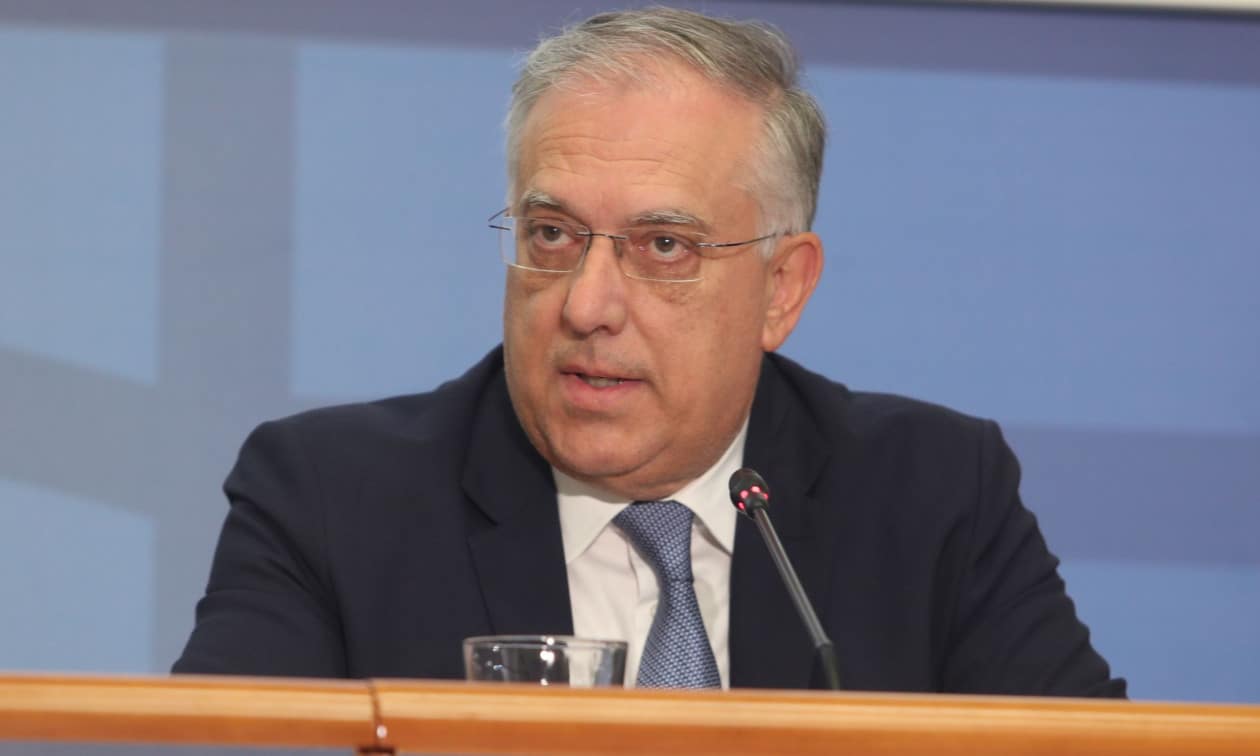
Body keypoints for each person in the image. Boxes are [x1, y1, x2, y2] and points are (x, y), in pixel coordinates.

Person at [174, 7, 1124, 696]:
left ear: (782, 288)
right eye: (552, 235)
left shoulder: (934, 497)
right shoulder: (331, 502)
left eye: (664, 247)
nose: (587, 305)